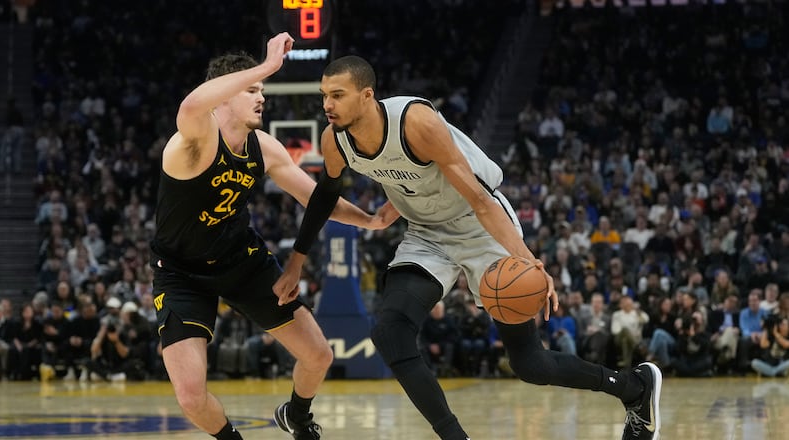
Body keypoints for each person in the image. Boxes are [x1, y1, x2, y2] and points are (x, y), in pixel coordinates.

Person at [274, 55, 662, 440]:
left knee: (530, 363)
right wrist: (296, 262)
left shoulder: (416, 123)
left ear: (367, 96)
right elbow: (324, 196)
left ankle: (633, 387)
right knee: (389, 331)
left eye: (337, 95)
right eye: (324, 95)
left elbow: (479, 198)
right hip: (426, 232)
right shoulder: (335, 140)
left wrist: (529, 261)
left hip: (480, 224)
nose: (327, 104)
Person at [149, 35, 398, 440]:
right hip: (181, 273)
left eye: (262, 90)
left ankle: (297, 415)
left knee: (319, 356)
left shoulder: (263, 147)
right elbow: (190, 105)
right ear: (225, 96)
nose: (262, 96)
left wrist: (371, 221)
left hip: (241, 262)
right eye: (251, 90)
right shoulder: (192, 141)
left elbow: (316, 199)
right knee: (191, 397)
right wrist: (266, 65)